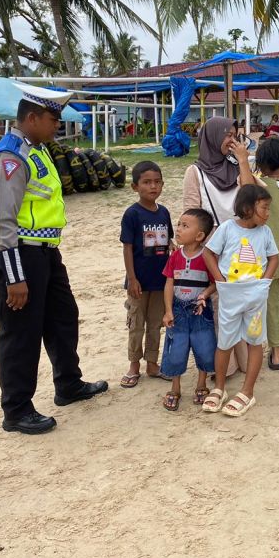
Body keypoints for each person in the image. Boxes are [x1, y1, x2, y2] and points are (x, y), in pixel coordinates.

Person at [0, 85, 108, 436]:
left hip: (46, 252)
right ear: (32, 118)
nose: (58, 125)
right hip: (21, 253)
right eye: (53, 119)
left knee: (63, 317)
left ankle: (68, 383)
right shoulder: (10, 158)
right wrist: (14, 277)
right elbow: (3, 223)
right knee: (21, 333)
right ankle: (16, 410)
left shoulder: (36, 150)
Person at [183, 117, 255, 374]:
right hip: (211, 246)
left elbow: (250, 198)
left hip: (240, 243)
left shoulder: (235, 166)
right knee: (217, 305)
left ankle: (244, 358)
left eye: (234, 135)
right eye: (227, 135)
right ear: (212, 137)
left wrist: (243, 161)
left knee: (242, 302)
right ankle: (225, 364)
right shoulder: (195, 172)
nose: (231, 140)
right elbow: (191, 212)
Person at [202, 185, 279, 417]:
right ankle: (219, 388)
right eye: (264, 208)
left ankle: (247, 391)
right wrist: (220, 279)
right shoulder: (227, 228)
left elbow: (274, 258)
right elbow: (208, 253)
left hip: (256, 296)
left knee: (254, 341)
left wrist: (265, 282)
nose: (268, 213)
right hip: (230, 296)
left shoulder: (265, 232)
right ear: (247, 208)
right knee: (225, 342)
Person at [243, 137, 279, 369]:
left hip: (265, 250)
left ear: (262, 162)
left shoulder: (260, 187)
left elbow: (245, 185)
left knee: (271, 298)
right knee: (273, 292)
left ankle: (277, 348)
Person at [120, 161, 173, 388]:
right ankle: (134, 365)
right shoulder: (132, 214)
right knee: (136, 324)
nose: (153, 186)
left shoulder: (164, 213)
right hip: (138, 282)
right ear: (135, 186)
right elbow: (127, 248)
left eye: (157, 182)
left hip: (160, 281)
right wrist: (132, 279)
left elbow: (168, 241)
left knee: (155, 324)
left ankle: (152, 363)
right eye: (147, 182)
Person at [160, 209, 218, 411]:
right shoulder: (175, 256)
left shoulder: (207, 257)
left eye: (185, 226)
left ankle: (201, 384)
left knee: (204, 347)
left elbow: (215, 282)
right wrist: (168, 310)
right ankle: (175, 388)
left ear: (200, 235)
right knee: (176, 349)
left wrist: (205, 295)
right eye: (179, 224)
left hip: (200, 311)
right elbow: (169, 284)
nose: (178, 229)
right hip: (178, 311)